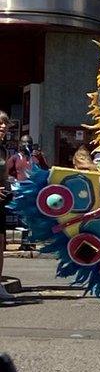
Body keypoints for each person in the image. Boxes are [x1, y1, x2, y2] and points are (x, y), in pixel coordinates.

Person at [0, 112, 12, 300]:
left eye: (5, 124)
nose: (3, 127)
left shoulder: (3, 150)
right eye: (0, 123)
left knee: (1, 243)